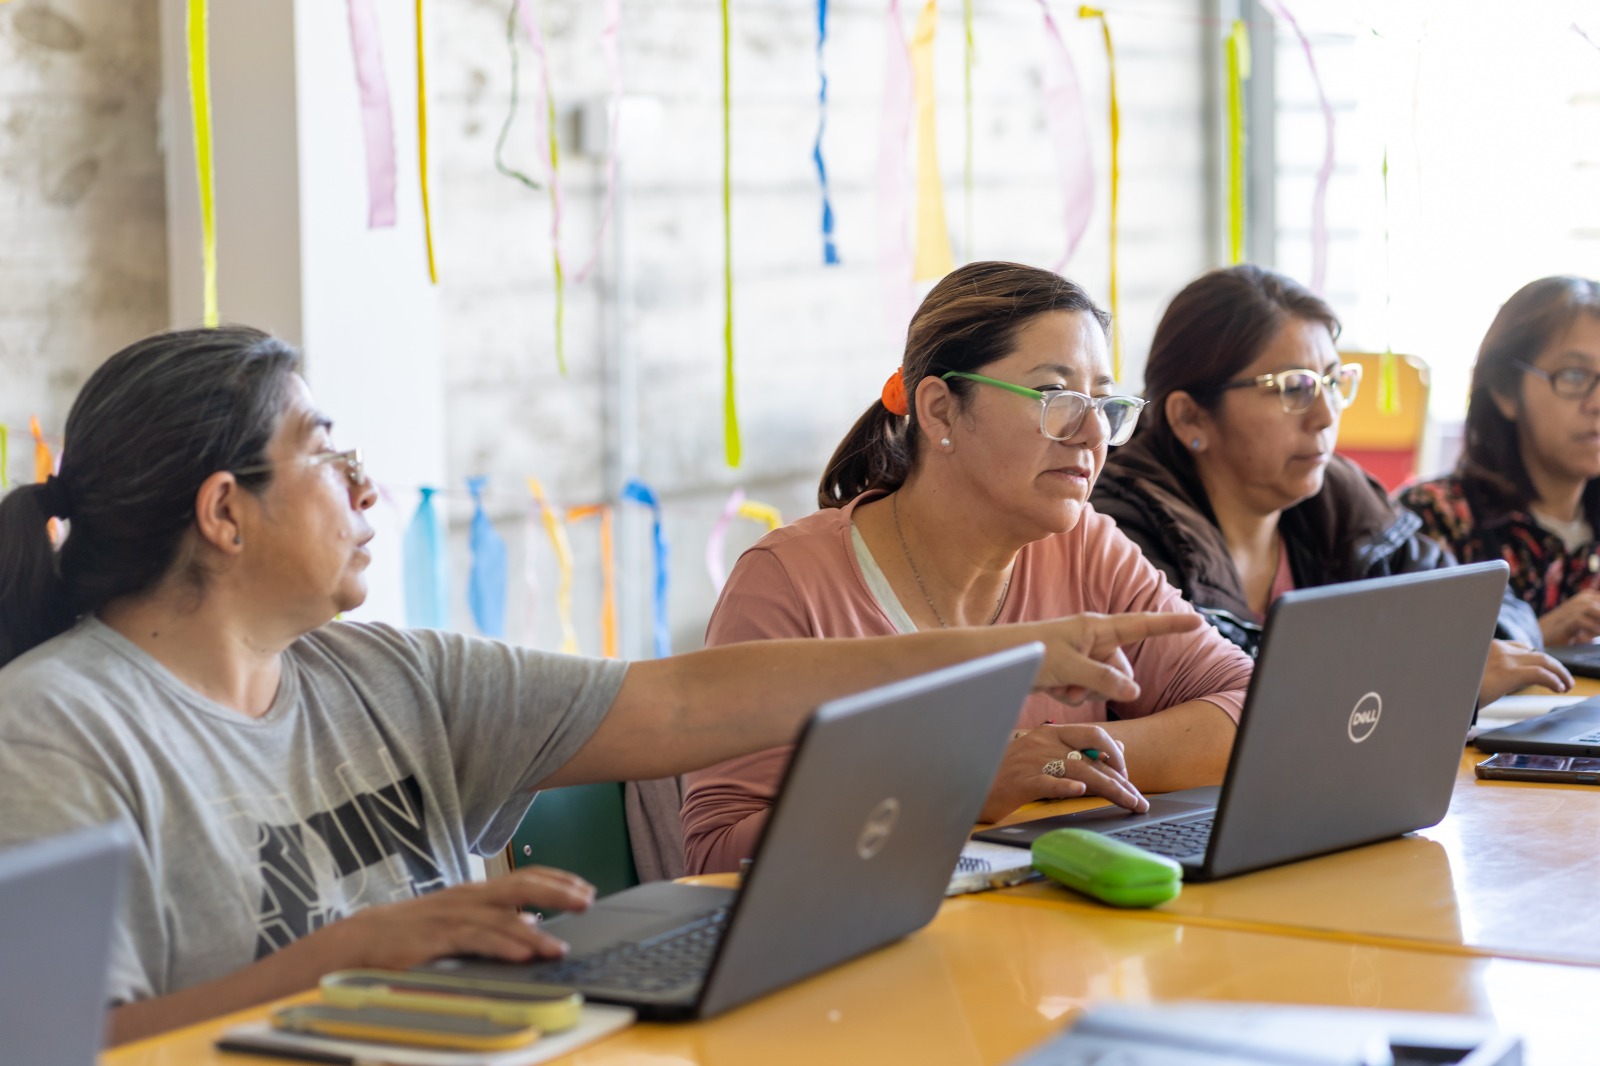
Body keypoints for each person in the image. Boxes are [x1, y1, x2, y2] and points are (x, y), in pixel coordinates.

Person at [0, 327, 1204, 1045]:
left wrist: (1000, 655)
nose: (365, 490)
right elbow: (64, 1047)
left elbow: (681, 704)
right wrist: (343, 958)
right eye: (328, 455)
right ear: (224, 511)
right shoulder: (55, 734)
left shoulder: (382, 672)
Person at [681, 262, 1256, 875]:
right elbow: (716, 852)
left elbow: (1253, 709)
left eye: (1103, 403)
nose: (1092, 433)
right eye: (1055, 397)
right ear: (939, 410)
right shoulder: (788, 582)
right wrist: (959, 783)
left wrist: (1054, 762)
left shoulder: (1088, 547)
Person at [1090, 264, 1568, 703]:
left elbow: (1497, 614)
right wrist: (1427, 679)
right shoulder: (1118, 528)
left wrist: (1464, 659)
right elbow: (1216, 698)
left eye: (1334, 383)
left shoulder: (1340, 495)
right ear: (1191, 416)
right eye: (1294, 388)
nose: (1325, 416)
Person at [1399, 276, 1600, 648]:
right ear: (1506, 390)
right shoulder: (1431, 518)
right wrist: (1535, 636)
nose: (1597, 403)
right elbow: (1406, 670)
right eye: (1575, 376)